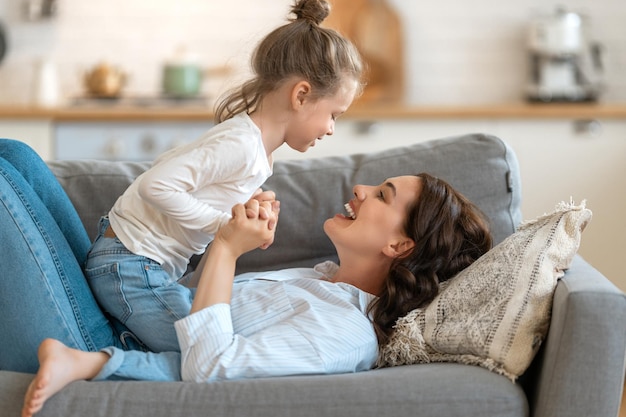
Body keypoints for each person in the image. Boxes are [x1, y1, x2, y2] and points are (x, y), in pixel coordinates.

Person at [17, 159, 492, 416]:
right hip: (121, 309)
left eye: (382, 195)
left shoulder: (346, 333)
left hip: (96, 339)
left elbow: (211, 365)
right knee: (16, 156)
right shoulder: (321, 278)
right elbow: (187, 307)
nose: (361, 190)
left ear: (399, 244)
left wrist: (226, 249)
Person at [84, 0, 364, 353]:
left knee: (215, 337)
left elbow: (206, 188)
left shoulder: (257, 151)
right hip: (131, 264)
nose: (330, 130)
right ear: (302, 95)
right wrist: (223, 227)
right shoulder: (241, 144)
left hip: (143, 265)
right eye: (334, 115)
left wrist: (246, 209)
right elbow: (155, 186)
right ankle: (103, 350)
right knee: (204, 349)